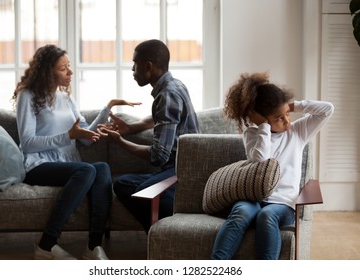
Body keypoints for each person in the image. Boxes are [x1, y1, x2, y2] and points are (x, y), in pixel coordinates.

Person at [12, 44, 140, 260]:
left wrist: (107, 109)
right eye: (63, 68)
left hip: (68, 165)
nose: (70, 72)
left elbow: (86, 140)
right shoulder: (28, 96)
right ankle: (46, 245)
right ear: (46, 71)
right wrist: (68, 136)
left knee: (101, 169)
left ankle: (93, 246)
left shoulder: (66, 99)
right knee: (87, 171)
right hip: (38, 165)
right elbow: (28, 143)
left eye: (69, 66)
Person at [211, 72, 334, 260]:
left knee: (267, 215)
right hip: (254, 197)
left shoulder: (298, 132)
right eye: (278, 117)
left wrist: (291, 105)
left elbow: (327, 109)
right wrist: (263, 127)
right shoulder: (253, 134)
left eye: (287, 114)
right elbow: (260, 162)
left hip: (283, 203)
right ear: (261, 119)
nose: (287, 121)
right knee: (240, 213)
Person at [99, 39, 200, 233]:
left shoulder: (167, 94)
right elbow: (162, 119)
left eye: (135, 65)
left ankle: (165, 233)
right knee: (121, 184)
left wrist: (120, 141)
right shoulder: (175, 85)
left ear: (148, 66)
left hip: (182, 169)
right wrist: (130, 127)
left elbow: (158, 155)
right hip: (176, 167)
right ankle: (162, 227)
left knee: (142, 193)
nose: (132, 70)